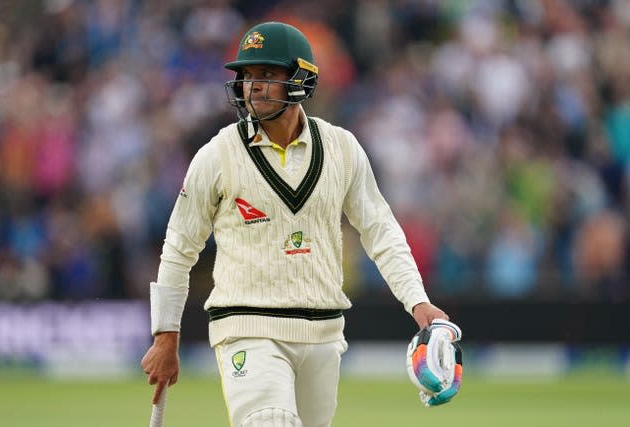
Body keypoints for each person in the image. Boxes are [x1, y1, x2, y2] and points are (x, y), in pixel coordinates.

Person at [141, 21, 451, 427]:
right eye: (248, 76)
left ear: (301, 78)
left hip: (322, 335)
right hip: (247, 329)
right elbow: (179, 248)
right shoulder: (217, 155)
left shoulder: (342, 148)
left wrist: (417, 299)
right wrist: (166, 334)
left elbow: (380, 230)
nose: (253, 87)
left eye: (267, 75)